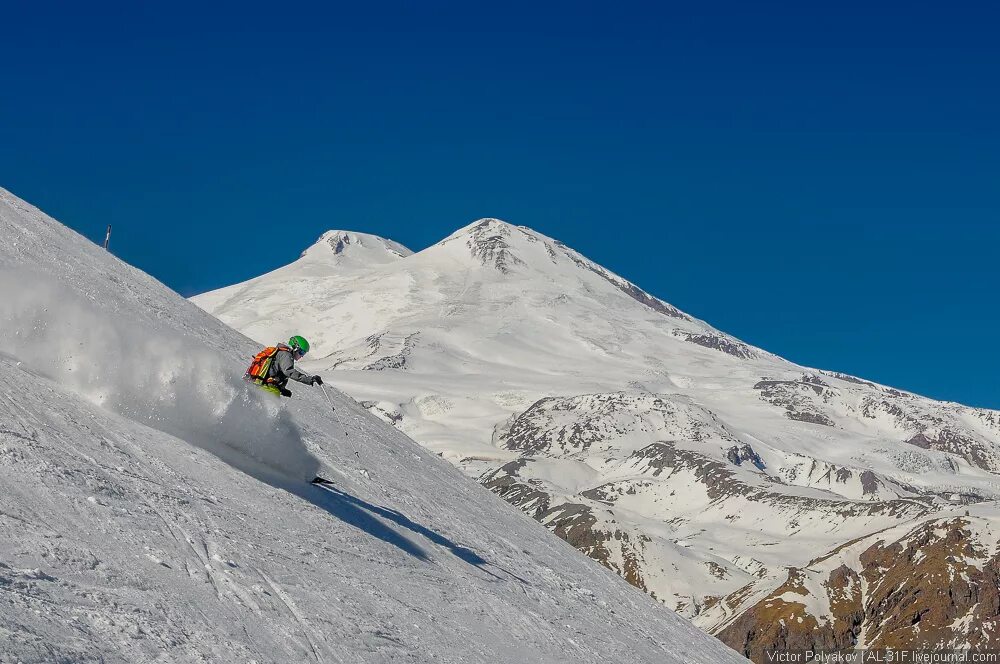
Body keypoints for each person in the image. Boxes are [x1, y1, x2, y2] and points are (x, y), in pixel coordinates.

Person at [245, 335, 323, 397]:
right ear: (296, 348)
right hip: (267, 388)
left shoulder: (281, 352)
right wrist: (310, 379)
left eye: (304, 354)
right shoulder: (286, 355)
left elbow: (275, 371)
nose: (301, 356)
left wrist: (282, 389)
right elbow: (289, 372)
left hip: (262, 385)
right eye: (301, 352)